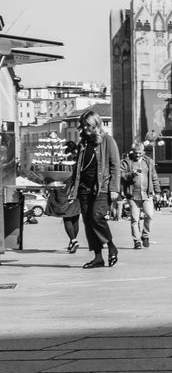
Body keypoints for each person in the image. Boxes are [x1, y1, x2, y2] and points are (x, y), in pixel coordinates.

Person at [68, 111, 121, 269]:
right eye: (84, 126)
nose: (86, 129)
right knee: (88, 222)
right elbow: (78, 168)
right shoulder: (83, 143)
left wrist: (114, 188)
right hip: (84, 188)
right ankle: (98, 258)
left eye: (89, 126)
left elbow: (115, 166)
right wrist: (73, 188)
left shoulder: (107, 141)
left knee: (96, 217)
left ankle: (111, 246)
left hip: (101, 187)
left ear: (96, 124)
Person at [46, 139, 83, 253]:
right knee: (75, 218)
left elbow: (54, 176)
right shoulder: (79, 161)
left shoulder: (61, 161)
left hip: (63, 191)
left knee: (67, 218)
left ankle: (73, 240)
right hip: (77, 190)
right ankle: (72, 242)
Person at [123, 142, 160, 249]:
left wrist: (157, 192)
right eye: (135, 153)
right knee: (135, 219)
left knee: (149, 215)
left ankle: (145, 235)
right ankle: (136, 241)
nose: (137, 155)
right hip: (132, 195)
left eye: (139, 153)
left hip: (146, 195)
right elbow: (120, 175)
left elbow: (154, 177)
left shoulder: (148, 162)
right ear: (132, 152)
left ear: (143, 152)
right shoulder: (127, 162)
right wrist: (131, 174)